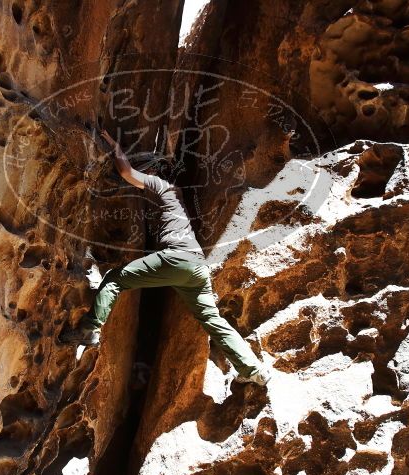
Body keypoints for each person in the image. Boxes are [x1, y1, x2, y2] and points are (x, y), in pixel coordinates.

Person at [60, 130, 272, 386]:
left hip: (175, 258)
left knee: (115, 279)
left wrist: (116, 148)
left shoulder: (163, 186)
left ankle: (88, 329)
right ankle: (253, 369)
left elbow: (128, 173)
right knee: (212, 319)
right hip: (196, 268)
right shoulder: (177, 196)